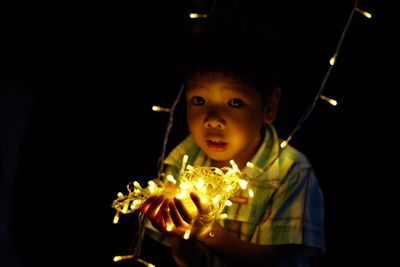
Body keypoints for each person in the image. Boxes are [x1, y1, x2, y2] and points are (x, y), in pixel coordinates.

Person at [140, 12, 325, 267]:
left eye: (235, 102)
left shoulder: (291, 173)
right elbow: (187, 259)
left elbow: (269, 261)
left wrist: (207, 231)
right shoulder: (183, 161)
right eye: (199, 100)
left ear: (269, 107)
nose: (213, 119)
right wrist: (183, 234)